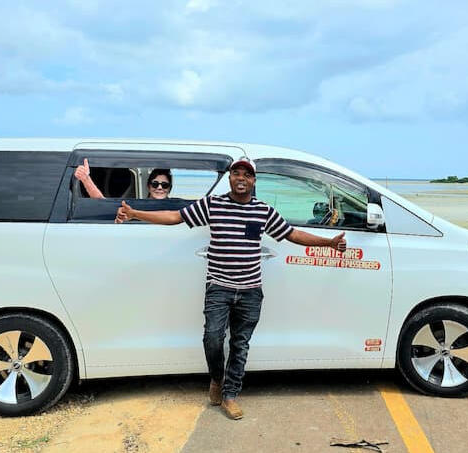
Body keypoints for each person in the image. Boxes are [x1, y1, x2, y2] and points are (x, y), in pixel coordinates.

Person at [115, 156, 347, 420]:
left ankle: (230, 395)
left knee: (240, 345)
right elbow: (175, 216)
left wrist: (328, 243)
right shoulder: (213, 205)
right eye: (236, 173)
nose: (241, 178)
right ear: (230, 178)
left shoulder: (263, 210)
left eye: (247, 175)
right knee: (212, 339)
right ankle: (217, 378)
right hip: (219, 287)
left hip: (250, 291)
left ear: (254, 181)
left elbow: (292, 234)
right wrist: (135, 214)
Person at [74, 159, 172, 199]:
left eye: (165, 185)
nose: (159, 187)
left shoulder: (175, 208)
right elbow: (103, 203)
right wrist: (86, 179)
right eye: (155, 184)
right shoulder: (136, 207)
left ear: (170, 188)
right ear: (149, 186)